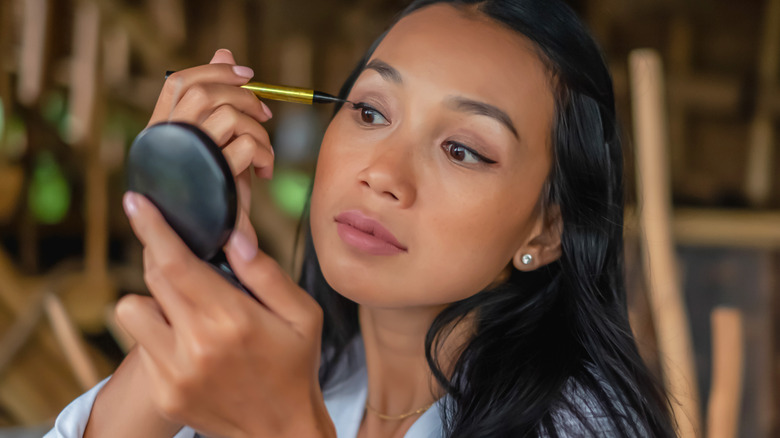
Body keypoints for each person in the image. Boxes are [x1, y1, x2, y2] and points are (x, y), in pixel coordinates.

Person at [46, 0, 678, 436]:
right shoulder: (307, 379)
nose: (383, 174)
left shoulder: (582, 424)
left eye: (462, 149)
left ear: (548, 229)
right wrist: (202, 263)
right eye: (372, 113)